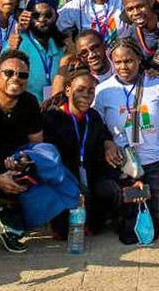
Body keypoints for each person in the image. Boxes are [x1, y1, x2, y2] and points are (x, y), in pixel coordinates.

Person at [0, 49, 78, 260]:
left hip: (8, 167)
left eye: (22, 75)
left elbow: (38, 147)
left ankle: (10, 221)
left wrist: (24, 164)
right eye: (9, 73)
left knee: (54, 180)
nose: (15, 78)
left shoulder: (29, 102)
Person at [93, 39, 159, 243]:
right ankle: (132, 211)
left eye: (129, 61)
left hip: (157, 161)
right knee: (127, 225)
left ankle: (146, 207)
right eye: (118, 62)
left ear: (139, 60)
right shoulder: (103, 91)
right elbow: (96, 126)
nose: (124, 67)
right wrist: (107, 143)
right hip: (123, 165)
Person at [41, 70, 122, 238]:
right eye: (80, 89)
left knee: (110, 189)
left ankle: (108, 217)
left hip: (89, 177)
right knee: (65, 234)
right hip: (63, 180)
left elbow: (103, 134)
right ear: (68, 89)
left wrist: (108, 143)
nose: (86, 95)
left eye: (90, 91)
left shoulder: (93, 117)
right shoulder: (52, 118)